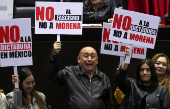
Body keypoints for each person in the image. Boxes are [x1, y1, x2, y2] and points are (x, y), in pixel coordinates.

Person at [45, 41, 113, 109]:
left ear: (97, 60)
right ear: (79, 59)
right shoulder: (70, 72)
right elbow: (51, 75)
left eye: (92, 56)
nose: (89, 59)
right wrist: (55, 54)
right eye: (86, 56)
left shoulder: (104, 78)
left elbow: (108, 104)